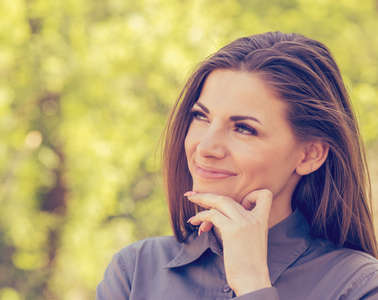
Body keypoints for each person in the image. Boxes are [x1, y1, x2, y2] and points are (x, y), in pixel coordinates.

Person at [96, 31, 378, 299]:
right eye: (201, 117)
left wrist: (252, 284)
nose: (205, 147)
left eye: (243, 128)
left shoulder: (359, 286)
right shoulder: (135, 272)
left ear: (309, 155)